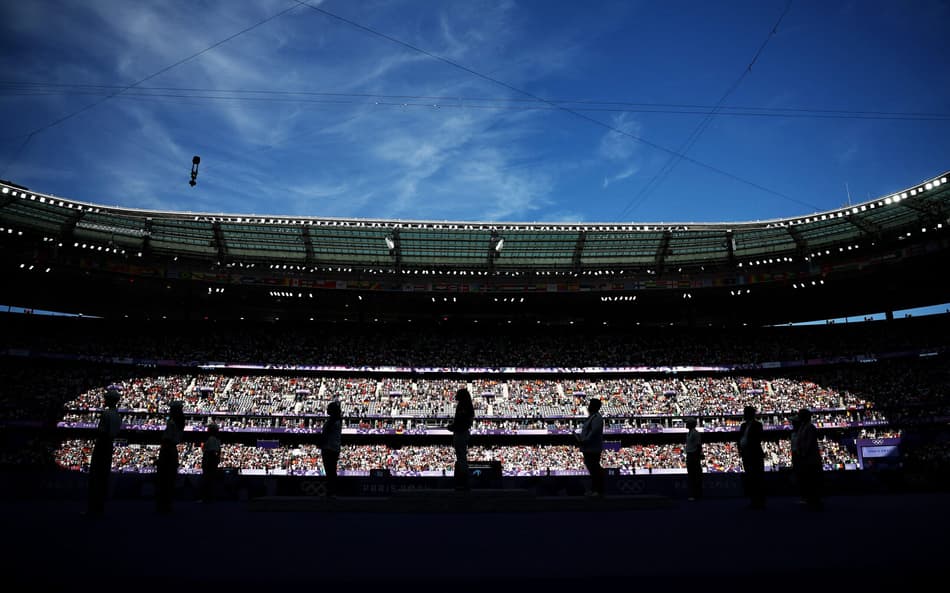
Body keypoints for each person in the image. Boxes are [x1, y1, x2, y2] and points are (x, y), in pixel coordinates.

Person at [85, 388, 122, 516]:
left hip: (102, 443)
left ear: (110, 400)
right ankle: (100, 507)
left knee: (96, 475)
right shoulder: (117, 414)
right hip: (109, 444)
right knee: (104, 476)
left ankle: (92, 508)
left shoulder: (106, 414)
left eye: (106, 398)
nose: (104, 400)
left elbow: (101, 431)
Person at [155, 400, 185, 514]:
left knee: (164, 477)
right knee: (170, 478)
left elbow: (167, 438)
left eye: (172, 409)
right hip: (172, 450)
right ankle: (167, 504)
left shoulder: (172, 422)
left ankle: (163, 504)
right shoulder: (180, 422)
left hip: (168, 449)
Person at [575, 398, 605, 497]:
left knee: (594, 468)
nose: (588, 406)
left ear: (594, 406)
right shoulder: (591, 417)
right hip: (588, 447)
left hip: (593, 448)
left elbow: (593, 432)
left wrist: (584, 440)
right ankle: (594, 490)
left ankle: (598, 490)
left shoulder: (596, 417)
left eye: (590, 405)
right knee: (592, 469)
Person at [795, 408, 824, 511]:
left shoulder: (810, 427)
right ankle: (809, 498)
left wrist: (803, 453)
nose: (798, 417)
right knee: (806, 478)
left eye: (800, 415)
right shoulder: (802, 426)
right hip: (804, 456)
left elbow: (809, 442)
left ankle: (814, 499)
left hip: (810, 457)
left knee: (812, 478)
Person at [446, 387, 475, 491]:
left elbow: (462, 422)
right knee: (462, 458)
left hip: (461, 433)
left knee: (462, 459)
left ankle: (464, 484)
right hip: (463, 432)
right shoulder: (468, 405)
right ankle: (464, 484)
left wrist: (452, 427)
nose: (456, 396)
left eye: (458, 394)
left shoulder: (463, 405)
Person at [737, 405, 765, 509]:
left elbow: (757, 439)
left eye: (746, 413)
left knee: (757, 478)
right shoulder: (743, 425)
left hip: (755, 454)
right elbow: (740, 438)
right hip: (745, 454)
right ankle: (753, 501)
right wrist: (740, 449)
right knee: (750, 478)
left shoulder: (758, 425)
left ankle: (760, 501)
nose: (744, 415)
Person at [320, 400, 343, 498]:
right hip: (334, 448)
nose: (327, 409)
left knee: (330, 471)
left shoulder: (332, 421)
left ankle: (331, 492)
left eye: (329, 408)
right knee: (331, 471)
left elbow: (325, 434)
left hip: (329, 448)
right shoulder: (337, 420)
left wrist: (320, 442)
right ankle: (332, 491)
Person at [200, 423, 221, 503]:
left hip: (209, 463)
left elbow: (212, 452)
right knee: (210, 481)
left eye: (209, 429)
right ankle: (209, 498)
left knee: (207, 481)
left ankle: (207, 498)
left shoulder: (212, 439)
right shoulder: (216, 439)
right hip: (213, 463)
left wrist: (207, 463)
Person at [684, 417, 703, 501]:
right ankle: (693, 494)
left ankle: (697, 495)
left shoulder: (695, 433)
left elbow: (699, 446)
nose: (686, 424)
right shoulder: (688, 433)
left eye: (687, 423)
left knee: (695, 476)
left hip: (694, 456)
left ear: (691, 424)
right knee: (691, 476)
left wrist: (697, 457)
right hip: (689, 455)